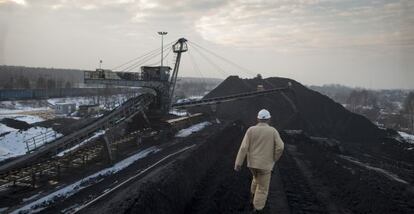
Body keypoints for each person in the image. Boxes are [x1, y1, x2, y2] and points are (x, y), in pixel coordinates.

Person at [234, 109, 285, 213]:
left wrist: (238, 164)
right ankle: (257, 209)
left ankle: (252, 195)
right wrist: (274, 158)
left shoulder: (251, 130)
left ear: (257, 119)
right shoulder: (273, 131)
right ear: (269, 119)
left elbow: (243, 148)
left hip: (252, 164)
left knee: (256, 178)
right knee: (262, 188)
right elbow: (280, 147)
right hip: (265, 165)